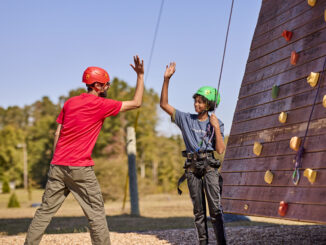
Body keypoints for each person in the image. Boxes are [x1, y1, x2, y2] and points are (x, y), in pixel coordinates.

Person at [25, 55, 145, 245]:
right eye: (106, 85)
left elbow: (58, 132)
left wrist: (57, 158)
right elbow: (136, 103)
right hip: (80, 168)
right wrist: (140, 76)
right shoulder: (101, 105)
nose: (107, 88)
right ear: (97, 86)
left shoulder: (69, 103)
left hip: (57, 165)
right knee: (96, 214)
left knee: (44, 212)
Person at [160, 62, 227, 245]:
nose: (196, 104)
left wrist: (216, 129)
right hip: (191, 168)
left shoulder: (216, 123)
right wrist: (166, 79)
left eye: (200, 101)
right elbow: (164, 104)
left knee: (215, 210)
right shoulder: (185, 119)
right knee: (198, 212)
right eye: (195, 100)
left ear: (209, 104)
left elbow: (220, 150)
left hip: (209, 167)